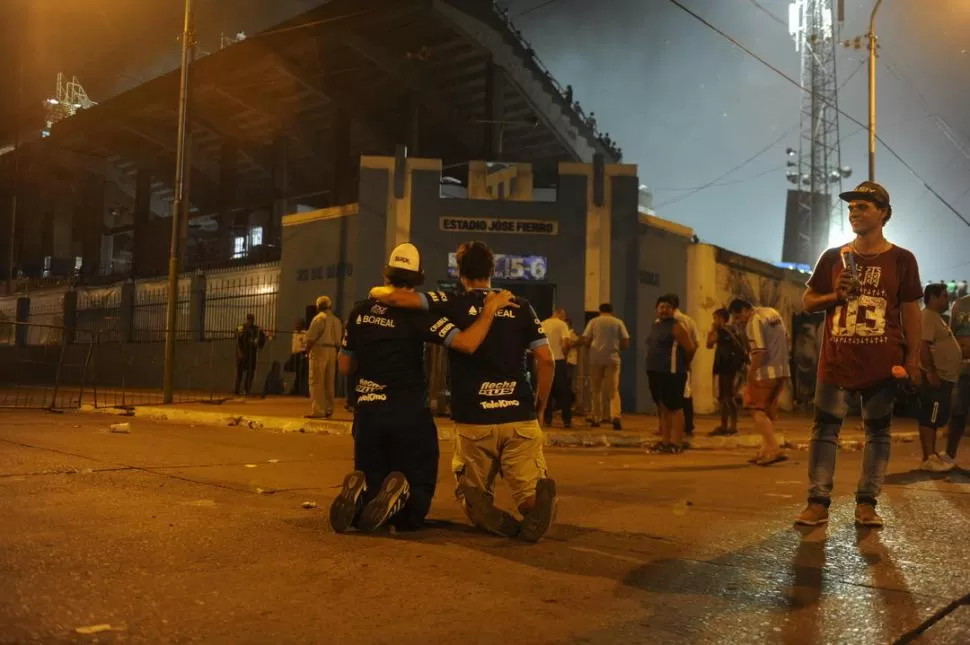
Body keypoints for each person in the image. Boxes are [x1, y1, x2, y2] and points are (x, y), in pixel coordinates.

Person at [371, 241, 557, 542]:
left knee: (473, 501)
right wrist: (539, 407)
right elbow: (547, 360)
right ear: (492, 270)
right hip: (519, 416)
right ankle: (536, 505)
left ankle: (479, 504)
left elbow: (394, 297)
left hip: (474, 418)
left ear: (460, 272)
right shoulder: (520, 306)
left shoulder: (452, 302)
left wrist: (375, 292)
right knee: (527, 491)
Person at [329, 243, 513, 533]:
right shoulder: (419, 315)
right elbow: (465, 343)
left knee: (372, 475)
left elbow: (344, 367)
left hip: (366, 411)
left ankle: (360, 493)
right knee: (419, 478)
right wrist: (488, 311)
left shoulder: (359, 312)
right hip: (407, 409)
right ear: (417, 278)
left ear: (386, 273)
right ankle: (405, 505)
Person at [795, 181, 923, 528]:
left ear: (883, 213)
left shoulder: (902, 259)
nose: (854, 212)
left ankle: (867, 502)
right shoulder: (833, 256)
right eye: (851, 207)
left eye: (863, 206)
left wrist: (912, 359)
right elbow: (807, 302)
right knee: (824, 429)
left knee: (878, 432)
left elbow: (911, 311)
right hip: (836, 361)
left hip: (882, 364)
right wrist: (835, 296)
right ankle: (818, 502)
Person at [729, 299, 790, 466]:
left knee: (755, 408)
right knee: (767, 410)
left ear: (745, 310)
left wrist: (752, 373)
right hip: (782, 370)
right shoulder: (772, 313)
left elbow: (759, 351)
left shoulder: (754, 321)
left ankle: (774, 448)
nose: (737, 321)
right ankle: (765, 450)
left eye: (737, 316)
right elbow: (787, 338)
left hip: (765, 372)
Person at [916, 283, 962, 472]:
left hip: (945, 377)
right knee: (930, 416)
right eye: (943, 296)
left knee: (936, 416)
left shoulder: (937, 318)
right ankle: (928, 457)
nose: (947, 299)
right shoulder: (927, 316)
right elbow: (923, 345)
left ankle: (932, 455)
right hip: (937, 377)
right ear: (933, 298)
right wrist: (930, 371)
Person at [645, 295, 696, 453]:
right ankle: (665, 441)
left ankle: (677, 443)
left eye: (668, 307)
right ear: (656, 309)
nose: (664, 310)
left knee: (675, 407)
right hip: (655, 371)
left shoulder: (677, 326)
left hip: (672, 373)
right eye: (661, 307)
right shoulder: (656, 325)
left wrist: (684, 364)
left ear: (674, 310)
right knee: (663, 406)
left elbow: (690, 348)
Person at [579, 303, 630, 430]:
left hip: (596, 359)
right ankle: (616, 417)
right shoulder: (618, 322)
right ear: (611, 311)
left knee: (596, 390)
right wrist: (617, 348)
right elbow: (626, 341)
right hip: (613, 359)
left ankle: (596, 418)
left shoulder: (594, 321)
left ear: (600, 311)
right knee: (613, 390)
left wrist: (590, 347)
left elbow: (586, 339)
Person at [706, 307, 746, 436]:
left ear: (721, 318)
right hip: (731, 367)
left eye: (715, 318)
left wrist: (712, 329)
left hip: (723, 367)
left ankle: (728, 426)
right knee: (726, 396)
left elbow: (709, 344)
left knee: (726, 397)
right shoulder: (733, 330)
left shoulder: (721, 331)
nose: (714, 321)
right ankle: (729, 425)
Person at [665, 294, 698, 437]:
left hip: (671, 363)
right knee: (686, 394)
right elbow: (695, 343)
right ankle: (688, 425)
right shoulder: (689, 320)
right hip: (683, 362)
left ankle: (670, 428)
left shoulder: (671, 322)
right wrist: (688, 361)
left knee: (671, 395)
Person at [305, 296, 342, 419]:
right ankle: (329, 409)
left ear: (318, 306)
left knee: (316, 380)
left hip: (319, 350)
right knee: (329, 382)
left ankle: (318, 410)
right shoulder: (337, 320)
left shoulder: (318, 318)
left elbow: (310, 338)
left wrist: (307, 350)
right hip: (333, 350)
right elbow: (339, 340)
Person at [540, 308, 574, 428]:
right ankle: (567, 420)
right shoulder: (562, 324)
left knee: (546, 391)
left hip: (544, 361)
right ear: (559, 314)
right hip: (558, 361)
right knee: (564, 391)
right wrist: (565, 353)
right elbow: (567, 343)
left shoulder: (542, 324)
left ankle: (547, 419)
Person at [947, 292, 970, 467]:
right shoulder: (960, 304)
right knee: (957, 413)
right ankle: (949, 455)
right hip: (962, 368)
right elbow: (951, 333)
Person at [233, 313, 266, 397]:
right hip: (242, 353)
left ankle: (246, 390)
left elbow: (261, 340)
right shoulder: (241, 328)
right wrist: (239, 352)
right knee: (239, 372)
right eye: (249, 319)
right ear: (247, 319)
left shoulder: (256, 329)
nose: (250, 321)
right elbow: (237, 340)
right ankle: (236, 390)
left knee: (250, 372)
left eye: (251, 319)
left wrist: (261, 335)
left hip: (251, 354)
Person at [287, 319, 309, 397]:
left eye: (298, 324)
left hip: (302, 355)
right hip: (295, 355)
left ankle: (301, 390)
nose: (296, 325)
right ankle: (295, 389)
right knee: (295, 372)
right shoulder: (294, 333)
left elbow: (305, 345)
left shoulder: (306, 334)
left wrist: (303, 352)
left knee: (302, 373)